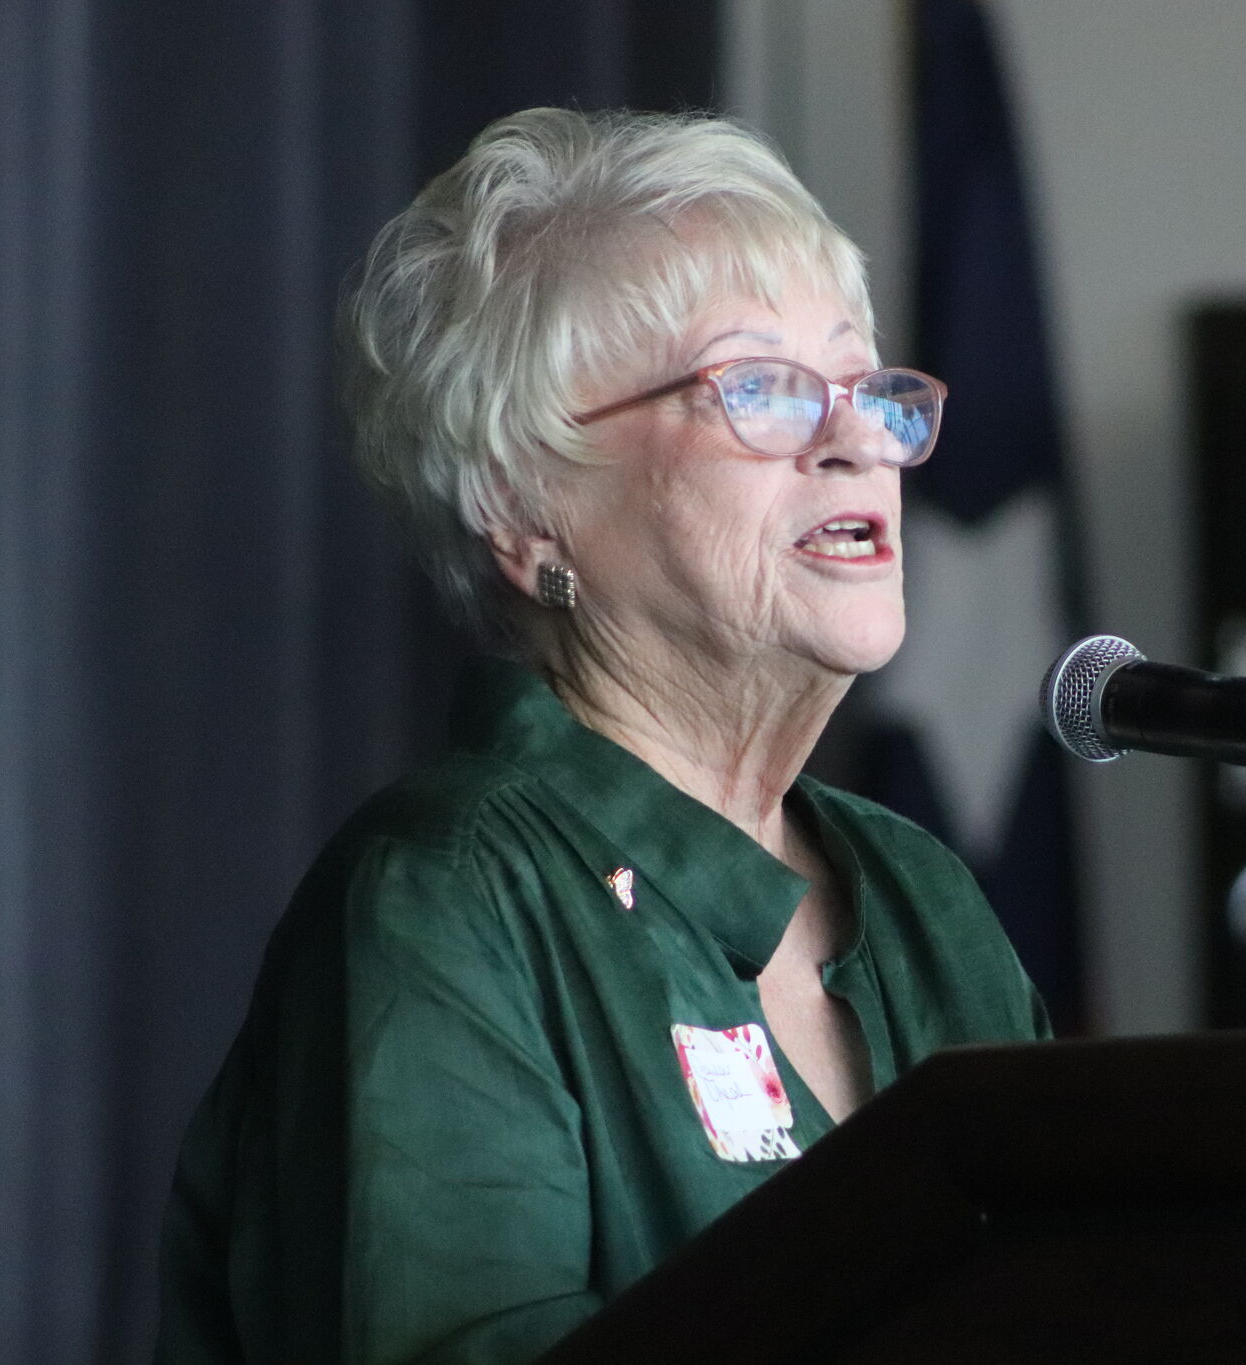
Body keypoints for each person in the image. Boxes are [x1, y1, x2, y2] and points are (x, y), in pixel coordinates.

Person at [154, 108, 1051, 1364]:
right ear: (524, 508)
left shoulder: (923, 897)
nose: (856, 440)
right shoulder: (447, 898)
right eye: (759, 389)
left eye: (863, 386)